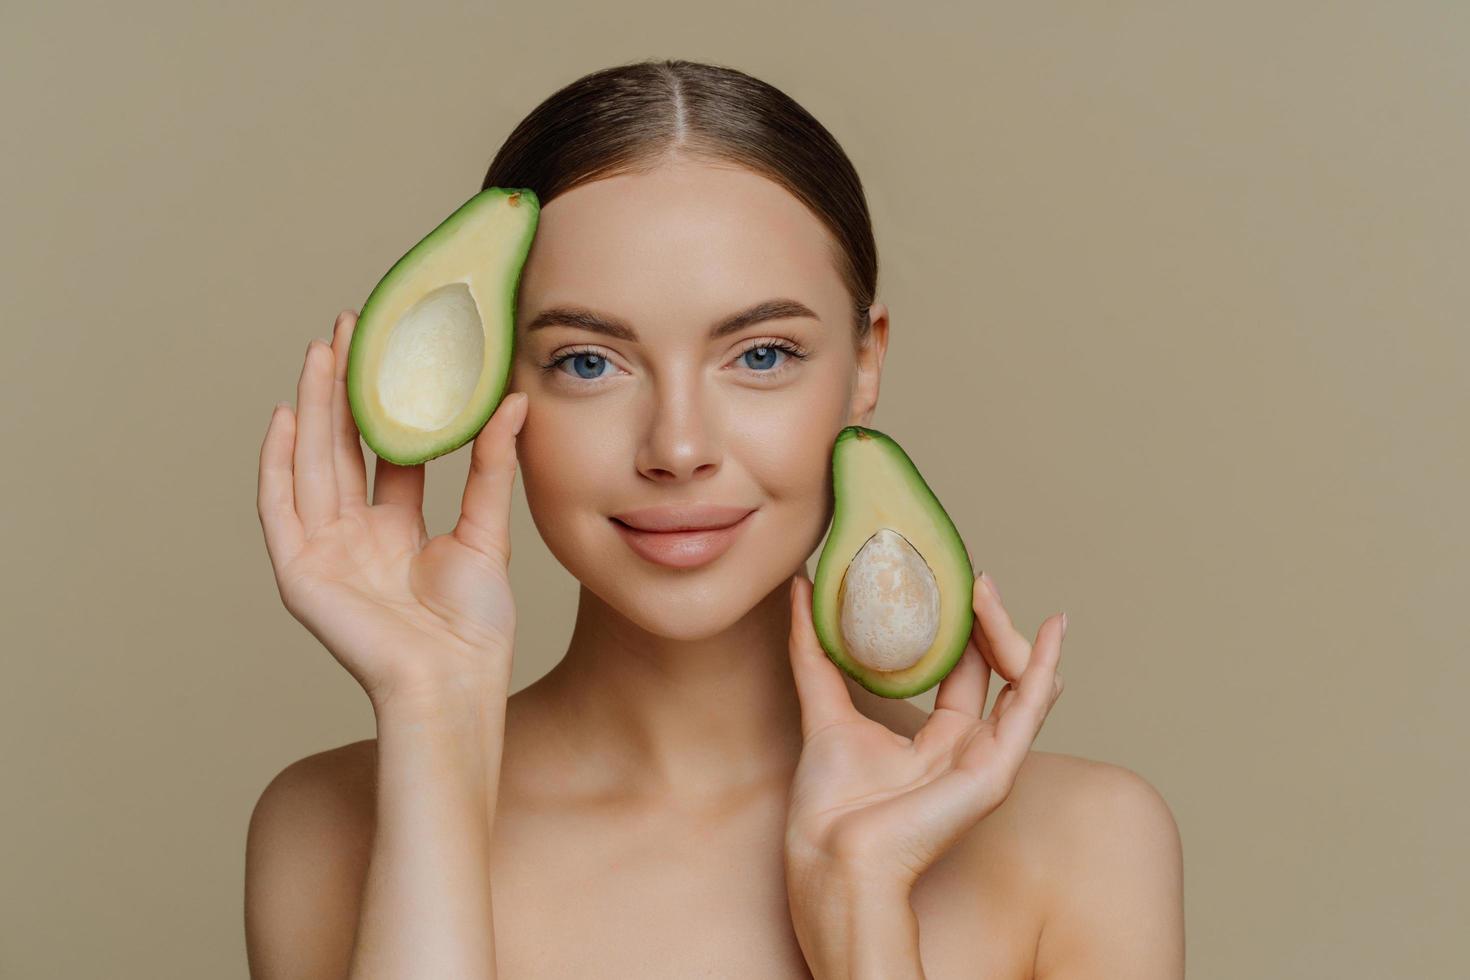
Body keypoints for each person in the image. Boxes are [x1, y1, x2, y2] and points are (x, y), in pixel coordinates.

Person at [246, 58, 1184, 979]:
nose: (679, 445)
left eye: (763, 354)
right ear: (494, 386)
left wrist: (863, 915)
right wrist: (433, 724)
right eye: (587, 361)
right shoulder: (329, 829)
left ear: (865, 365)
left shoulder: (1083, 846)